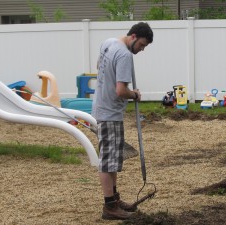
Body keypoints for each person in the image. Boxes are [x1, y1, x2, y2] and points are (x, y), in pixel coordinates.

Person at [92, 22, 153, 220]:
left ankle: (115, 200)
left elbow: (98, 66)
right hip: (109, 112)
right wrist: (134, 95)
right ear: (133, 37)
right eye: (142, 45)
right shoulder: (125, 55)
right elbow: (120, 91)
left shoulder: (108, 43)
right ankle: (109, 207)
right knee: (108, 162)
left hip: (102, 108)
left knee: (112, 159)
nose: (142, 50)